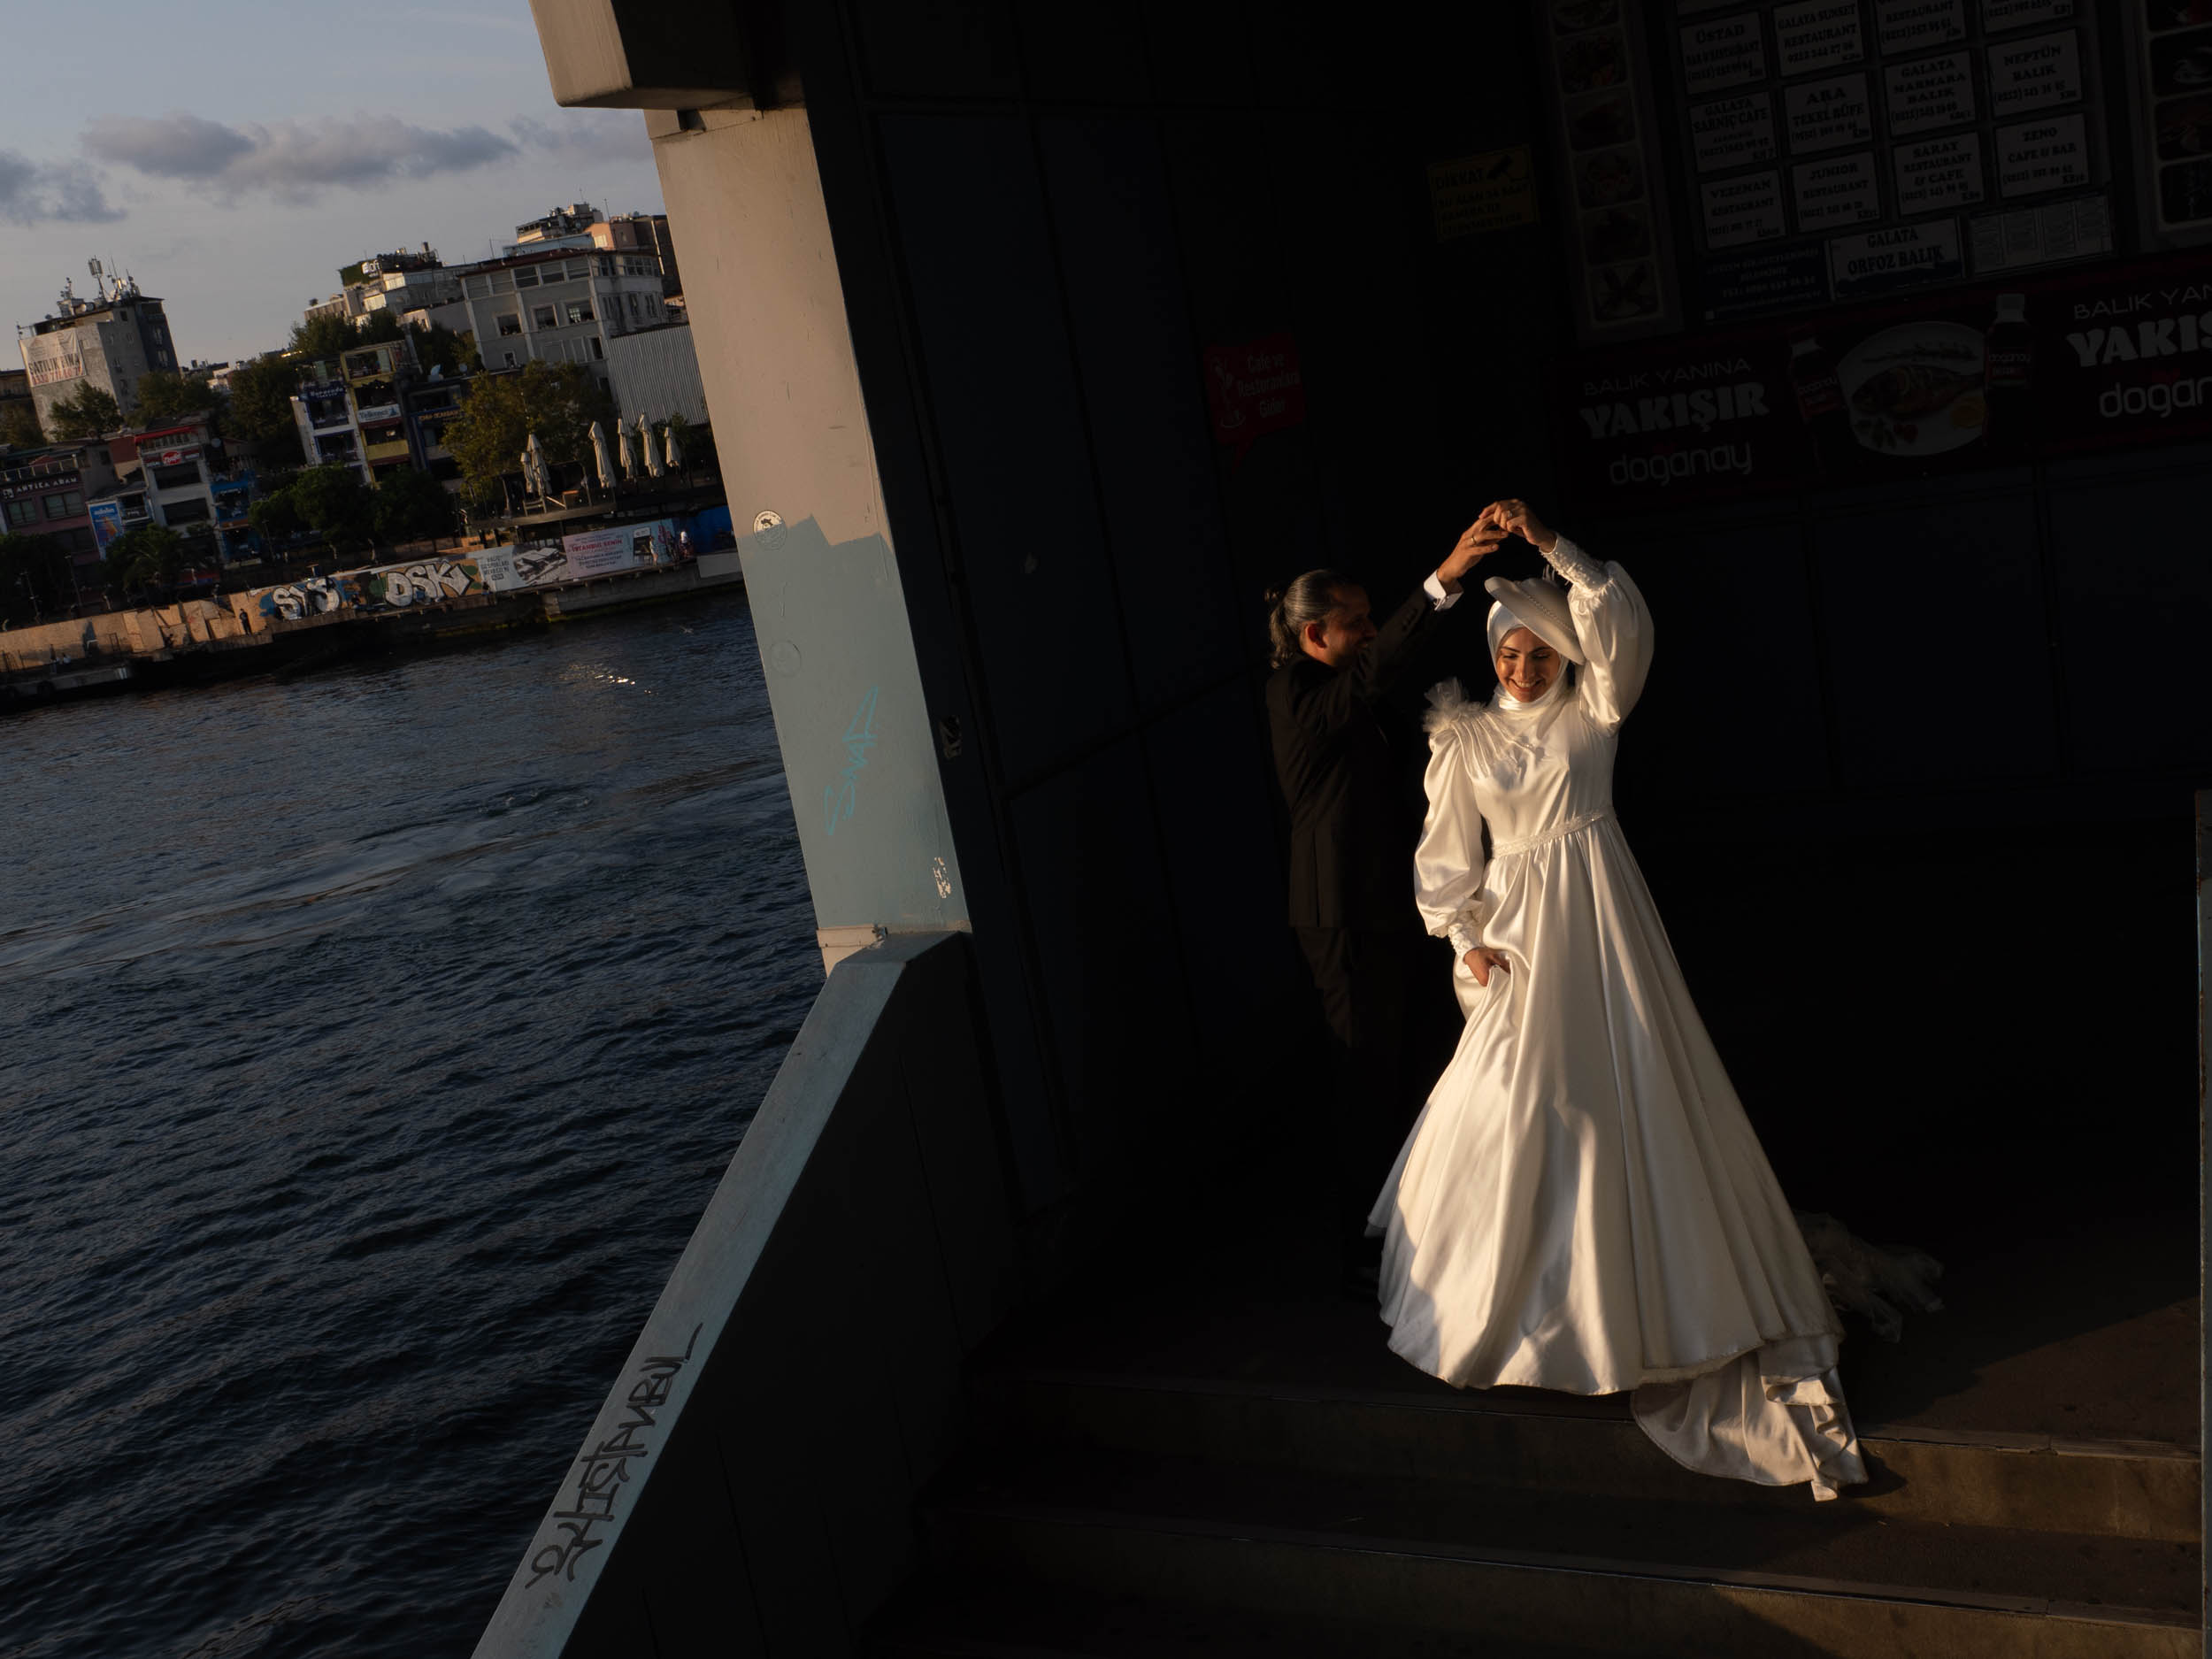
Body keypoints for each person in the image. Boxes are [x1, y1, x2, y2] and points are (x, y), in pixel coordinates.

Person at [1371, 499, 1865, 1500]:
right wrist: (1465, 943)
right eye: (1508, 655)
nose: (1522, 667)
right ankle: (1518, 1306)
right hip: (1519, 939)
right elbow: (1442, 864)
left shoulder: (1597, 708)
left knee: (1633, 1088)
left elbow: (1616, 614)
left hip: (1603, 918)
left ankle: (1654, 1294)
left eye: (1536, 651)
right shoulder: (1461, 740)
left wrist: (1550, 543)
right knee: (1526, 1102)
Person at [1265, 513, 1508, 1291]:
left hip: (1389, 906)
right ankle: (1364, 1248)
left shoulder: (1349, 694)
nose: (1370, 632)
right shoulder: (1297, 691)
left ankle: (1418, 1223)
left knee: (1411, 1059)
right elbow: (1374, 677)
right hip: (1341, 915)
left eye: (1373, 619)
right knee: (1364, 1073)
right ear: (1313, 637)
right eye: (1356, 623)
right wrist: (1441, 580)